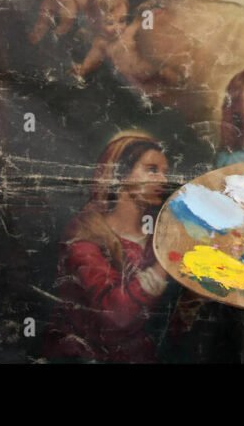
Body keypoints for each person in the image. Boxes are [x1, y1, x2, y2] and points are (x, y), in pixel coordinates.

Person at [43, 131, 172, 362]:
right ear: (120, 174)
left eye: (165, 172)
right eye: (152, 169)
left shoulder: (158, 235)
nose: (163, 180)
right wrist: (165, 265)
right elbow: (115, 317)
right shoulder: (85, 239)